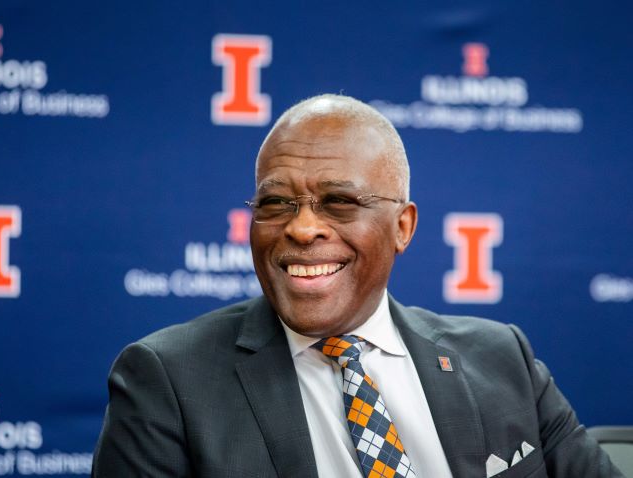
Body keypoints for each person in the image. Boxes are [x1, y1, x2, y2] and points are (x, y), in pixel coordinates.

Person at [92, 94, 622, 477]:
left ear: (403, 227)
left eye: (339, 202)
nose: (302, 228)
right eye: (276, 204)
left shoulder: (503, 358)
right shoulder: (168, 381)